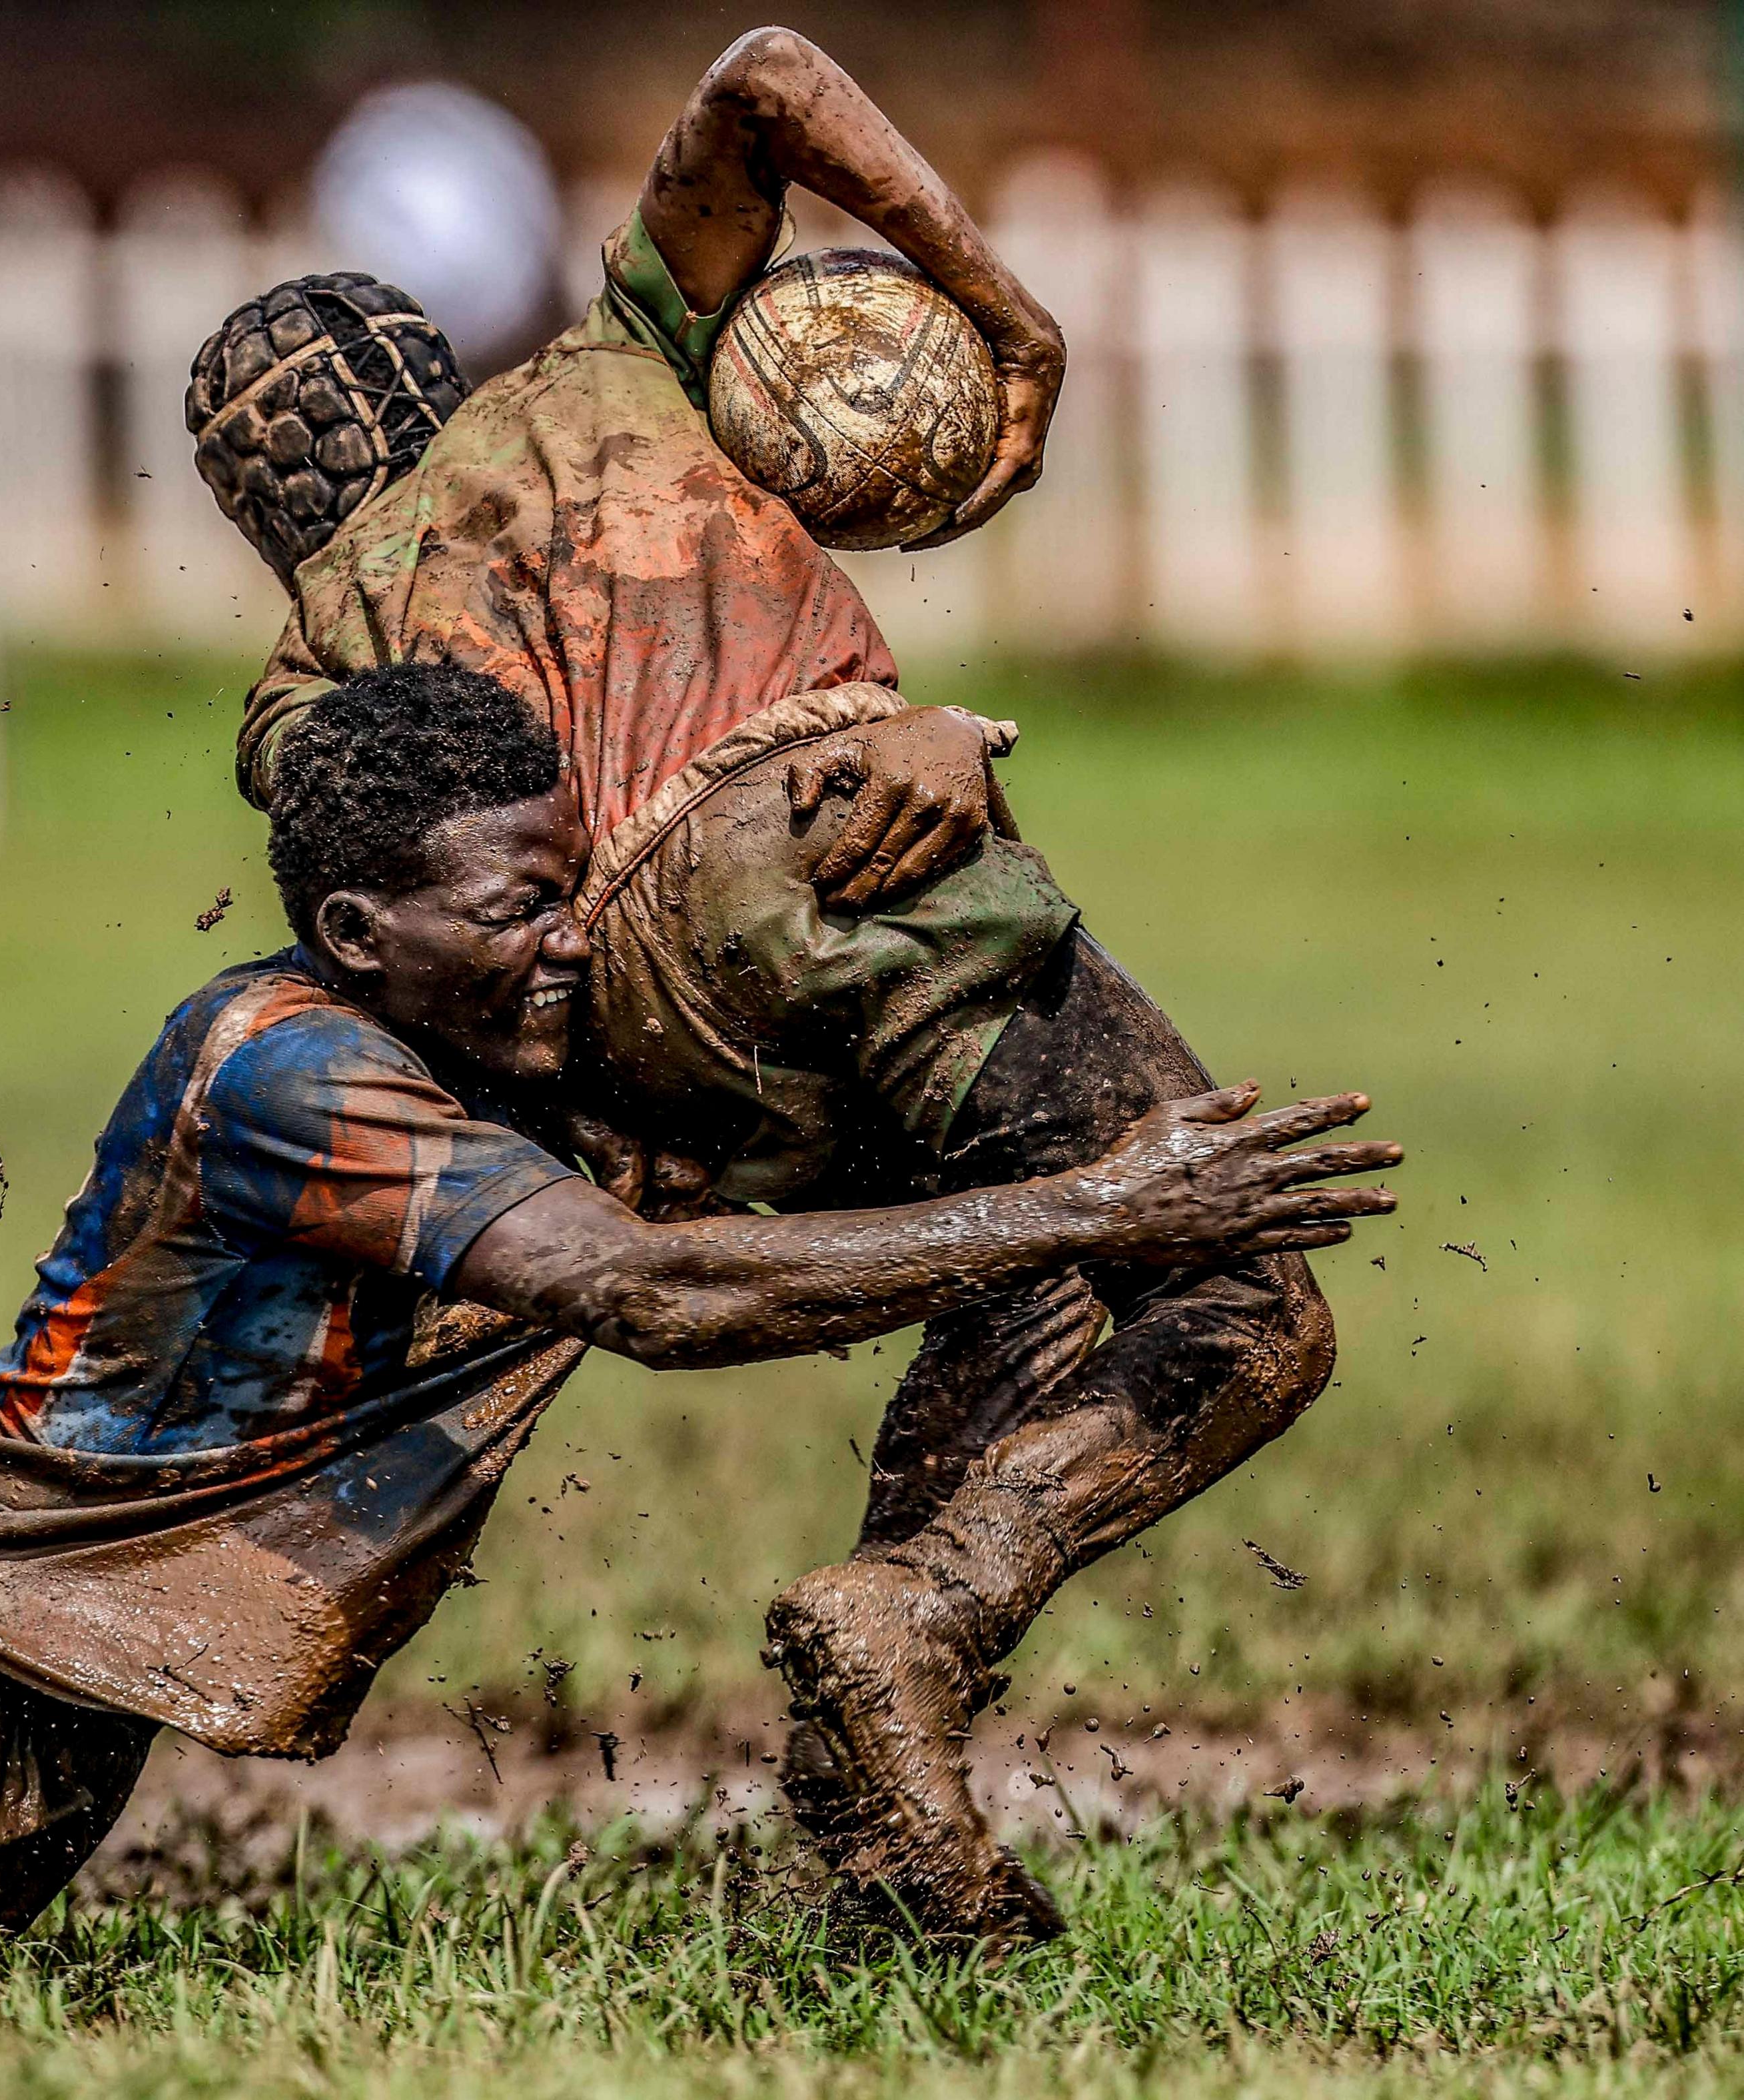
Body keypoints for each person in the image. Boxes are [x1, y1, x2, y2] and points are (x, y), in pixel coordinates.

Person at [0, 668, 1395, 2033]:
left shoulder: (499, 1048)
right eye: (516, 907)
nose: (567, 939)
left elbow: (841, 1188)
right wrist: (1113, 1208)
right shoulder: (286, 1066)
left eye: (572, 882)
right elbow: (660, 1299)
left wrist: (926, 737)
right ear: (362, 931)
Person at [190, 29, 1360, 1941]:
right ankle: (929, 1604)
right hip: (839, 847)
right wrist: (1002, 313)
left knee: (1018, 1270)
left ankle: (886, 1810)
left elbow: (410, 919)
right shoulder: (612, 365)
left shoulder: (309, 679)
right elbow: (766, 75)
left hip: (646, 1022)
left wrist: (588, 1104)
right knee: (1242, 1301)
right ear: (430, 362)